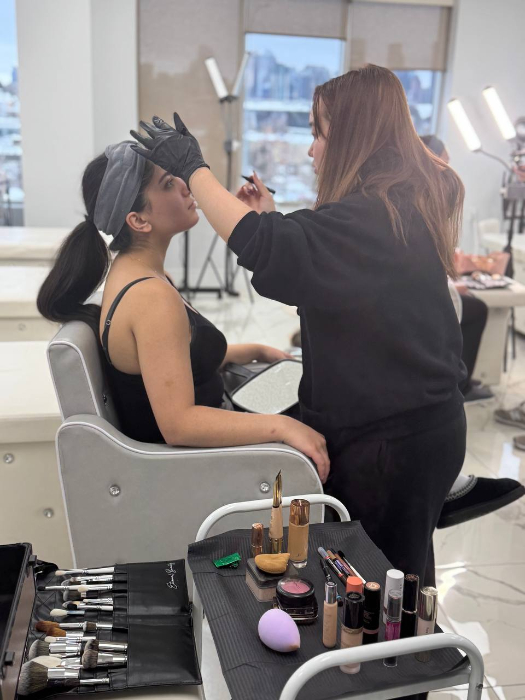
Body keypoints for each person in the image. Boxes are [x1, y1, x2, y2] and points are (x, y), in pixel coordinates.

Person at [131, 65, 469, 586]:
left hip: (397, 443)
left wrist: (195, 169)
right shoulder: (389, 208)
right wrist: (272, 218)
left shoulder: (380, 214)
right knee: (396, 579)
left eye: (319, 134)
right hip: (404, 429)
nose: (311, 150)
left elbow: (274, 248)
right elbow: (322, 274)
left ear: (353, 137)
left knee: (380, 590)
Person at [36, 142, 329, 478]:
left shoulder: (141, 275)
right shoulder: (150, 298)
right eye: (167, 183)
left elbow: (170, 363)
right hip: (197, 471)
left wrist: (253, 350)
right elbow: (179, 424)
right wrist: (281, 427)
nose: (184, 185)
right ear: (138, 220)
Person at [420, 135, 494, 405]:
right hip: (422, 301)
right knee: (478, 308)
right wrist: (452, 287)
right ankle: (462, 386)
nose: (450, 169)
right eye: (446, 161)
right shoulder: (423, 202)